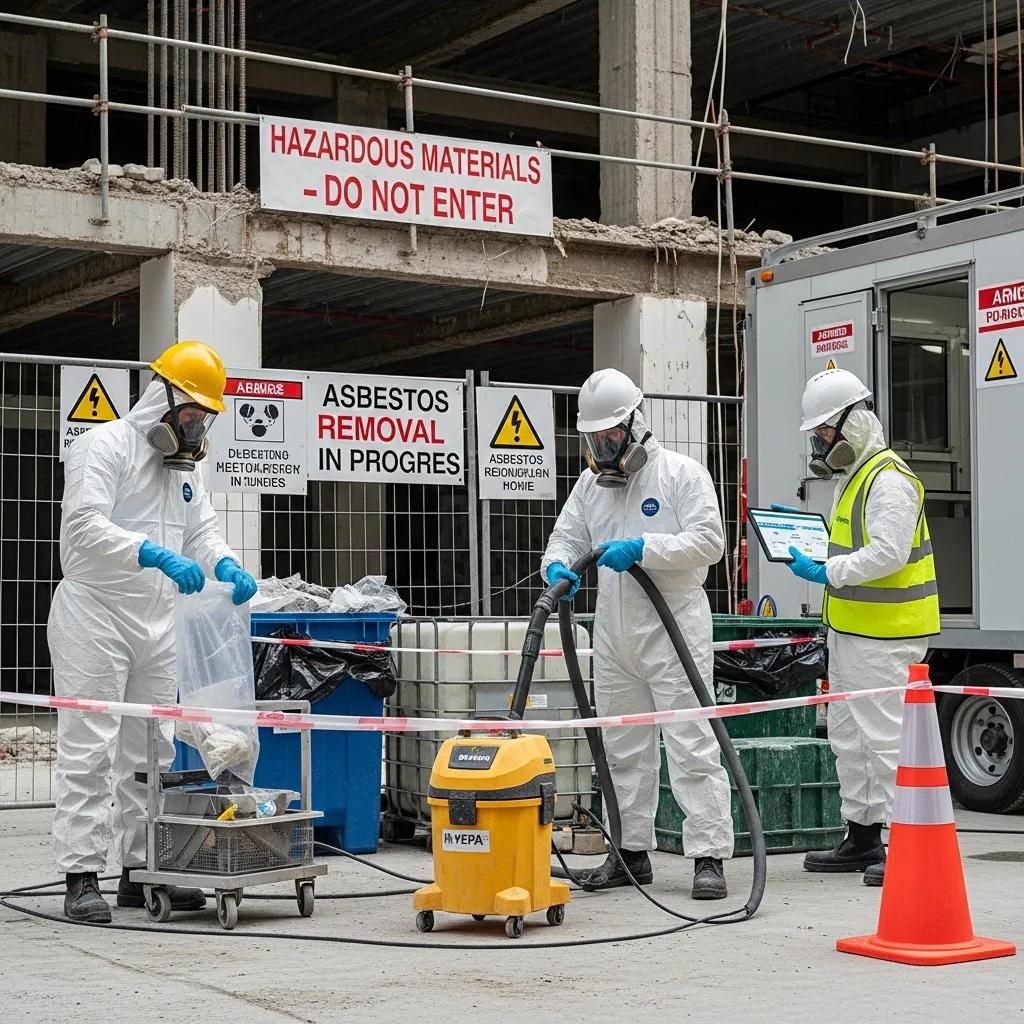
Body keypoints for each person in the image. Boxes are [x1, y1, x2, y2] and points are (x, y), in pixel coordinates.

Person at [49, 340, 259, 922]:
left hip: (158, 619)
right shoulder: (103, 446)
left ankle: (140, 872)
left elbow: (201, 533)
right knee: (90, 744)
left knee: (151, 750)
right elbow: (84, 527)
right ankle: (81, 874)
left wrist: (225, 564)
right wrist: (151, 553)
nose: (195, 427)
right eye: (189, 413)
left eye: (203, 418)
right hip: (96, 613)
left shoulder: (183, 471)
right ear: (159, 397)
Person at [541, 368, 733, 899]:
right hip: (613, 630)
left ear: (634, 426)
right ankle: (630, 852)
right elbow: (564, 536)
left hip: (672, 626)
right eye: (593, 439)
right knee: (624, 747)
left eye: (611, 437)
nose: (602, 448)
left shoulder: (680, 475)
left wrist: (646, 548)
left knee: (691, 742)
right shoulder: (589, 486)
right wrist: (556, 567)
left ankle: (708, 855)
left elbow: (708, 543)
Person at [787, 367, 939, 886]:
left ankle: (908, 842)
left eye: (826, 433)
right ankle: (863, 834)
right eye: (819, 435)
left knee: (887, 740)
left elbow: (888, 554)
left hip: (887, 636)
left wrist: (826, 570)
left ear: (855, 422)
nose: (822, 444)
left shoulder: (889, 479)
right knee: (850, 739)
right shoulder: (856, 478)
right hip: (854, 633)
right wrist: (813, 540)